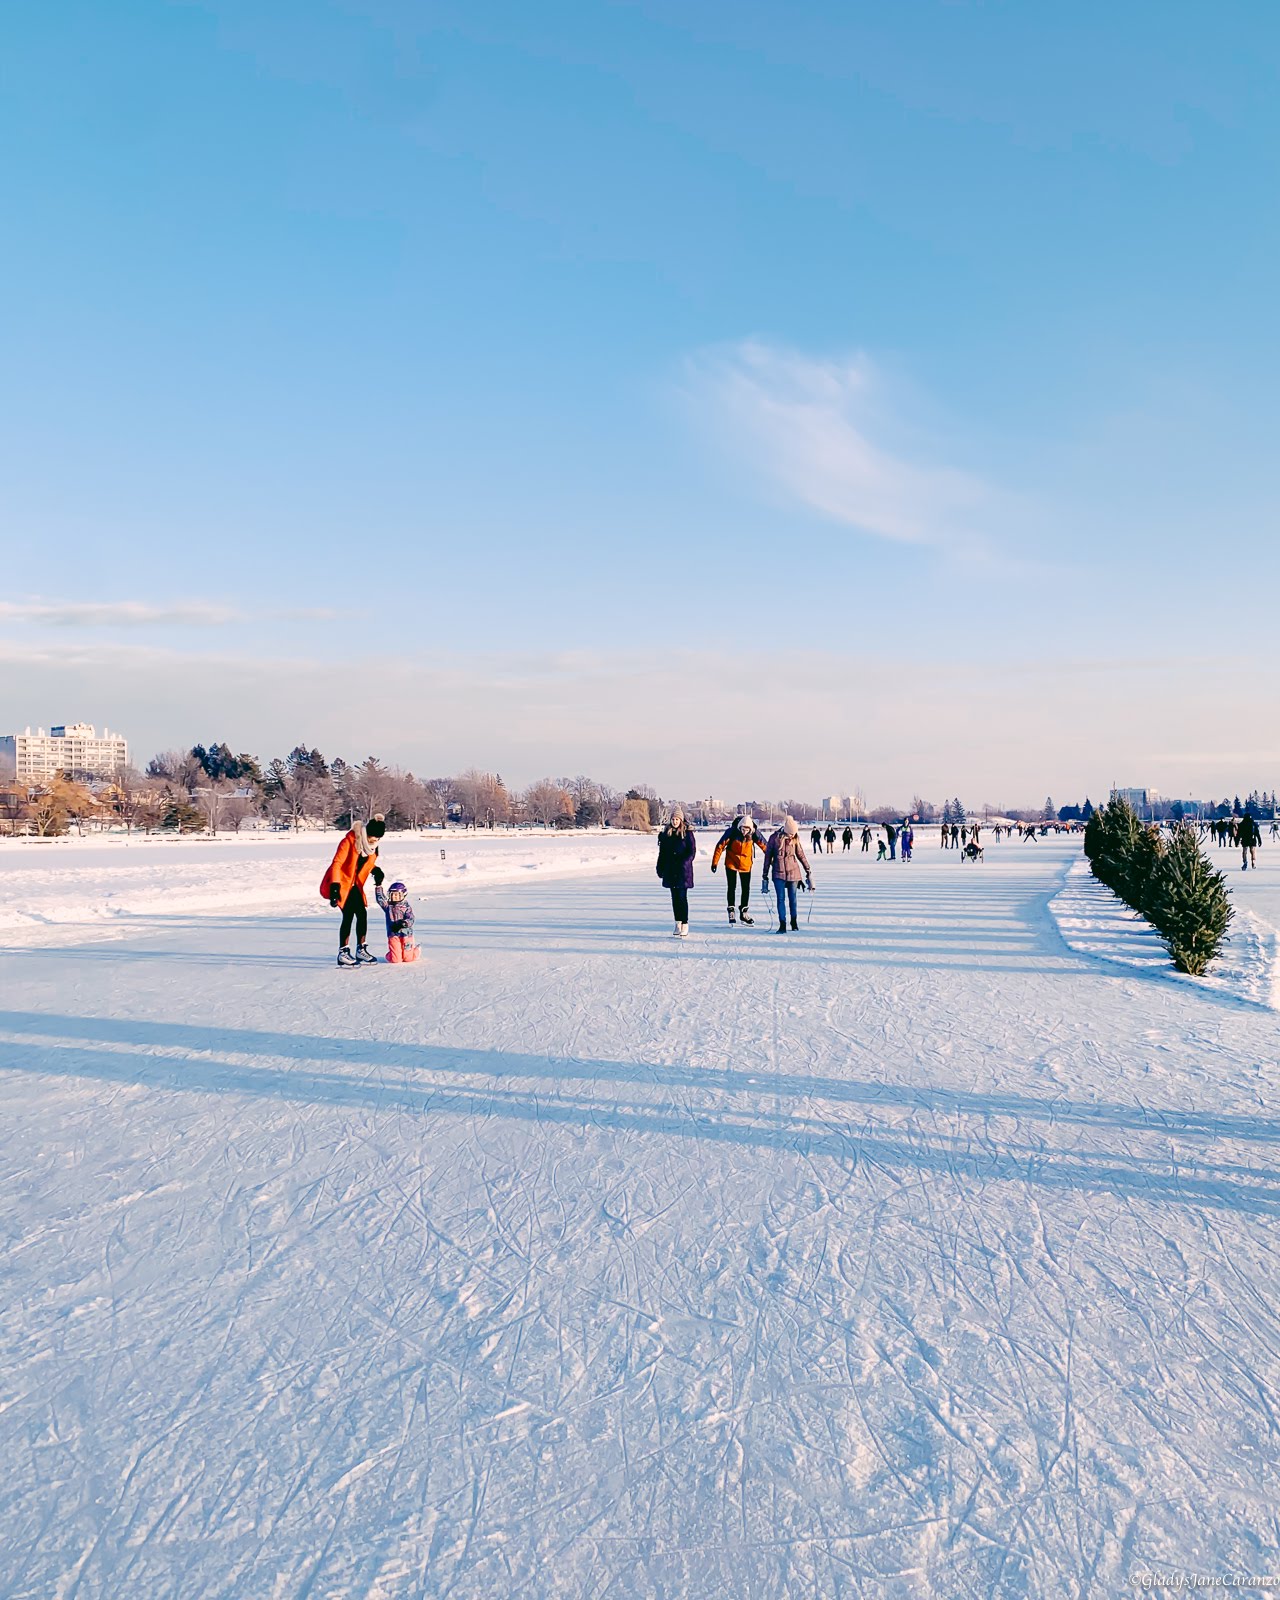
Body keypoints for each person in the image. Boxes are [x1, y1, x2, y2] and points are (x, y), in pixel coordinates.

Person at [322, 815, 387, 967]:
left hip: (356, 885)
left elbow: (367, 864)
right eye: (372, 837)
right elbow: (337, 863)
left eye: (378, 838)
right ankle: (343, 952)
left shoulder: (373, 846)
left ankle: (361, 949)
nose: (374, 840)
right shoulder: (350, 840)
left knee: (362, 915)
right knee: (348, 915)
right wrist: (335, 886)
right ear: (366, 833)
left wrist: (376, 871)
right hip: (343, 884)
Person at [711, 814, 766, 924]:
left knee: (746, 888)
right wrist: (714, 863)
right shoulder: (732, 832)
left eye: (746, 829)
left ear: (750, 829)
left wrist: (772, 862)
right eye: (742, 829)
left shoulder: (755, 834)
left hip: (746, 864)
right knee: (732, 886)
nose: (744, 832)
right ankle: (731, 910)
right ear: (739, 827)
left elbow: (766, 847)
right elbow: (720, 846)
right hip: (731, 862)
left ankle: (744, 912)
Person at [763, 816, 813, 932]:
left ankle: (794, 922)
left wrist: (808, 870)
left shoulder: (795, 839)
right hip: (778, 873)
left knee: (793, 899)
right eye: (790, 833)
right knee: (781, 899)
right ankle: (782, 924)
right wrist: (764, 874)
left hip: (793, 873)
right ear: (785, 830)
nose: (791, 836)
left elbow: (801, 855)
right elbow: (767, 857)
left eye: (793, 834)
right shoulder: (774, 838)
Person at [656, 806, 696, 937]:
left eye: (677, 819)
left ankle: (685, 923)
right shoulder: (666, 834)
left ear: (681, 820)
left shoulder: (687, 833)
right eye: (673, 819)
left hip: (683, 871)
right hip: (670, 870)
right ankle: (677, 922)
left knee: (682, 897)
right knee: (674, 898)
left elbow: (691, 851)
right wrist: (660, 867)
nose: (675, 822)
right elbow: (662, 853)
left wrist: (684, 863)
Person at [376, 879, 419, 962]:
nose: (394, 897)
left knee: (408, 958)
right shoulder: (388, 906)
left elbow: (411, 918)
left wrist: (404, 923)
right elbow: (380, 899)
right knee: (396, 960)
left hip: (406, 934)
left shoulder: (406, 907)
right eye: (392, 895)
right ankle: (393, 953)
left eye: (397, 895)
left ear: (403, 895)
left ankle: (415, 951)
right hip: (393, 934)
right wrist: (378, 886)